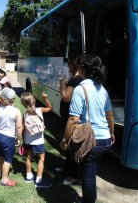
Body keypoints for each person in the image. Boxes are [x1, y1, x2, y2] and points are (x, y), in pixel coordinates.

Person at [61, 54, 115, 203]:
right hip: (104, 140)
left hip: (91, 139)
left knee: (88, 175)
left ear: (82, 68)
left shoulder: (80, 89)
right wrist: (111, 132)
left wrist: (65, 140)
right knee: (90, 169)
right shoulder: (102, 88)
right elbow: (110, 114)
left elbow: (73, 119)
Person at [0, 88, 23, 187]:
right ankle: (4, 180)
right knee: (8, 159)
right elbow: (19, 127)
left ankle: (2, 173)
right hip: (8, 137)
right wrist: (19, 138)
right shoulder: (16, 111)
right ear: (13, 99)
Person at [56, 57, 83, 185]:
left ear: (76, 66)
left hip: (71, 117)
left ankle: (73, 175)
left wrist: (62, 84)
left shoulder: (76, 80)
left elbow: (66, 97)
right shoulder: (74, 78)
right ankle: (66, 167)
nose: (68, 66)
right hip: (67, 116)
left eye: (70, 64)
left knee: (71, 145)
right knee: (69, 146)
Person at [20, 91, 53, 188]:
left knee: (29, 157)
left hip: (28, 140)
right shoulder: (39, 110)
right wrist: (45, 98)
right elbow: (50, 108)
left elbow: (22, 128)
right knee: (41, 159)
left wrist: (23, 139)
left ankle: (29, 176)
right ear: (34, 100)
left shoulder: (24, 114)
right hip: (38, 141)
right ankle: (39, 180)